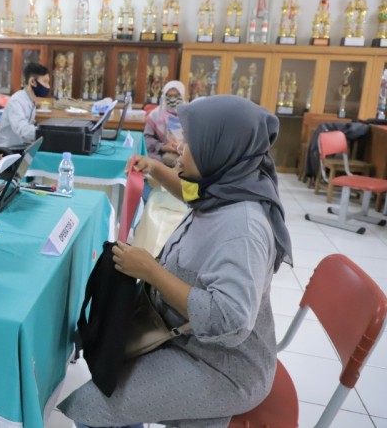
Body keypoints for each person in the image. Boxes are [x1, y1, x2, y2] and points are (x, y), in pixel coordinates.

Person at [58, 95, 292, 427]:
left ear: (219, 149)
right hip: (182, 337)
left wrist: (151, 271)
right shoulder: (228, 184)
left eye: (191, 142)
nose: (180, 146)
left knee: (90, 406)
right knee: (111, 373)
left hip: (221, 364)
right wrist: (155, 168)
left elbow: (229, 321)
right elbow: (191, 193)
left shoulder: (243, 228)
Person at [0, 62, 51, 147]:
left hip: (20, 146)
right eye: (45, 82)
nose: (48, 86)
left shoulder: (31, 100)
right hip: (5, 150)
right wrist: (46, 134)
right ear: (32, 81)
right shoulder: (16, 101)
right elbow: (23, 130)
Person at [143, 80, 186, 168]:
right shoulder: (155, 115)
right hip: (161, 155)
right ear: (164, 96)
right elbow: (146, 139)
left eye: (176, 96)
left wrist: (183, 147)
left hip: (186, 155)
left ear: (183, 96)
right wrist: (162, 147)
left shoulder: (191, 114)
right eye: (169, 96)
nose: (173, 99)